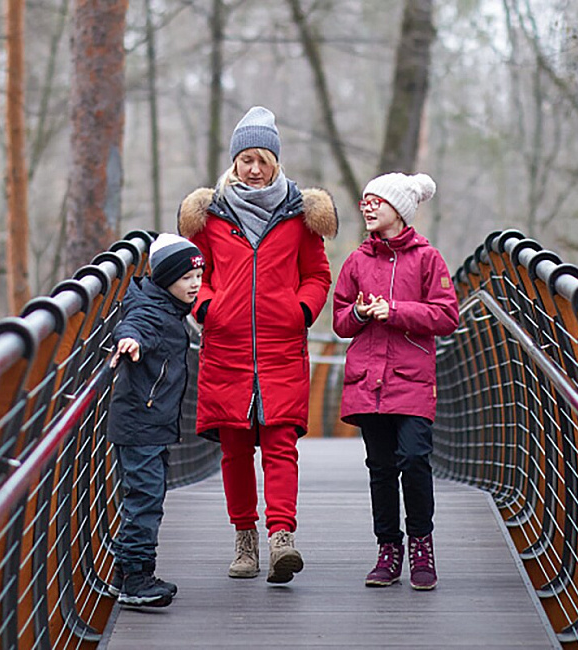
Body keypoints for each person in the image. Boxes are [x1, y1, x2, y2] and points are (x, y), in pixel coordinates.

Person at [177, 106, 336, 583]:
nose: (253, 168)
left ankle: (282, 538)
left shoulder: (298, 216)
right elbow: (192, 274)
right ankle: (245, 540)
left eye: (262, 158)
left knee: (281, 445)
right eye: (246, 158)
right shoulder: (209, 217)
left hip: (282, 349)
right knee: (234, 449)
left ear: (275, 162)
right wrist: (206, 309)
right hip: (226, 350)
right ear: (234, 162)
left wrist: (302, 311)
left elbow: (317, 275)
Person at [331, 172, 458, 590]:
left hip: (412, 379)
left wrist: (397, 311)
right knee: (381, 468)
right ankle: (388, 550)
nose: (367, 207)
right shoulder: (355, 261)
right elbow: (340, 322)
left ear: (399, 210)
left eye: (376, 202)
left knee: (415, 459)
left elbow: (446, 316)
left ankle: (423, 546)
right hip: (369, 380)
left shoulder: (428, 259)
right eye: (364, 201)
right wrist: (362, 313)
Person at [107, 233, 206, 607]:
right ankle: (137, 578)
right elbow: (134, 325)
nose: (195, 285)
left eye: (199, 277)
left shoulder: (168, 307)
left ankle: (124, 574)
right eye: (187, 278)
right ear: (166, 278)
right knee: (145, 499)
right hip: (141, 425)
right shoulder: (152, 309)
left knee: (146, 495)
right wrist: (129, 341)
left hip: (150, 424)